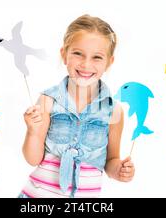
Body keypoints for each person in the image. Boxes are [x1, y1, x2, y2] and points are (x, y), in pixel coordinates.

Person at [19, 14, 135, 198]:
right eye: (77, 53)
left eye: (97, 57)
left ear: (109, 62)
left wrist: (119, 170)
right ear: (64, 54)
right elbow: (32, 159)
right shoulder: (48, 100)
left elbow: (110, 161)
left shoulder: (114, 111)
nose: (86, 64)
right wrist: (32, 131)